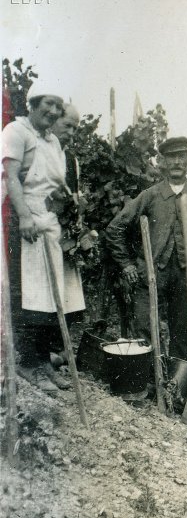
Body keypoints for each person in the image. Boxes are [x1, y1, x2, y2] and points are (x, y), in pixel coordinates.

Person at [106, 137, 187, 361]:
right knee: (145, 330)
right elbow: (115, 228)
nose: (177, 162)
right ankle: (148, 385)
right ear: (162, 162)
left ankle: (176, 388)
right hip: (151, 274)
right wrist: (128, 264)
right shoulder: (150, 195)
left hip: (186, 277)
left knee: (182, 332)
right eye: (171, 157)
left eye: (181, 157)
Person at [2, 84, 85, 392]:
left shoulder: (50, 140)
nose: (52, 111)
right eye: (48, 104)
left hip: (49, 222)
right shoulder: (16, 131)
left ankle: (43, 366)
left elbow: (57, 184)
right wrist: (24, 216)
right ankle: (28, 364)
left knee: (47, 298)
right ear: (33, 103)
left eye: (57, 106)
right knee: (29, 296)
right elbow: (11, 177)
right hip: (26, 219)